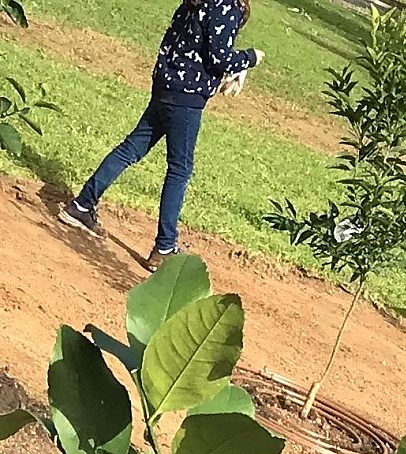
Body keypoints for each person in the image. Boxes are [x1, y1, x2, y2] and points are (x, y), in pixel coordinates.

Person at [58, 0, 263, 268]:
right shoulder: (226, 6)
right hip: (186, 99)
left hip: (166, 86)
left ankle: (82, 206)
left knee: (130, 148)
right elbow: (220, 57)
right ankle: (164, 247)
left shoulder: (196, 2)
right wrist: (250, 58)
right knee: (180, 169)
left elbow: (187, 44)